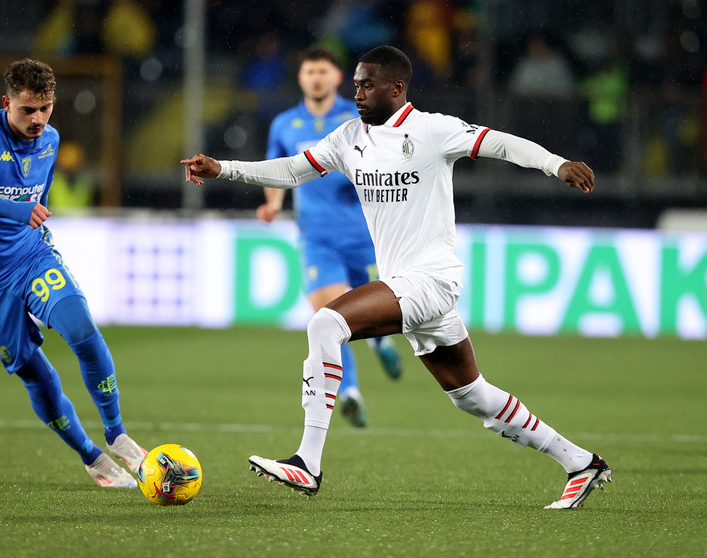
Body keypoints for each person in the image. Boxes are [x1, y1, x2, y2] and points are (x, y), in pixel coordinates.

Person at [183, 45, 611, 510]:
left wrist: (556, 164)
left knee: (325, 324)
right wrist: (222, 168)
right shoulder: (348, 138)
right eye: (356, 84)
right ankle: (581, 462)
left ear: (397, 87)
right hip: (407, 286)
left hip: (432, 279)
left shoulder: (432, 130)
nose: (358, 93)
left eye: (368, 85)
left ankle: (307, 462)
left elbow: (502, 143)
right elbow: (289, 170)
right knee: (473, 397)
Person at [0, 58, 147, 488]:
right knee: (40, 377)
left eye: (45, 108)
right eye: (27, 110)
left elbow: (38, 197)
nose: (37, 119)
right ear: (6, 102)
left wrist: (29, 219)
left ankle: (117, 433)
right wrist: (16, 209)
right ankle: (91, 457)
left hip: (30, 257)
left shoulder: (51, 139)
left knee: (83, 328)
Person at [256, 46, 402, 428]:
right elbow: (279, 169)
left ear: (338, 78)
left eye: (323, 71)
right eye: (309, 71)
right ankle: (351, 392)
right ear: (301, 78)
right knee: (331, 317)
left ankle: (379, 340)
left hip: (365, 235)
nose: (315, 77)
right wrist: (272, 204)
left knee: (372, 312)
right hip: (316, 237)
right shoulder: (285, 124)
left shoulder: (356, 117)